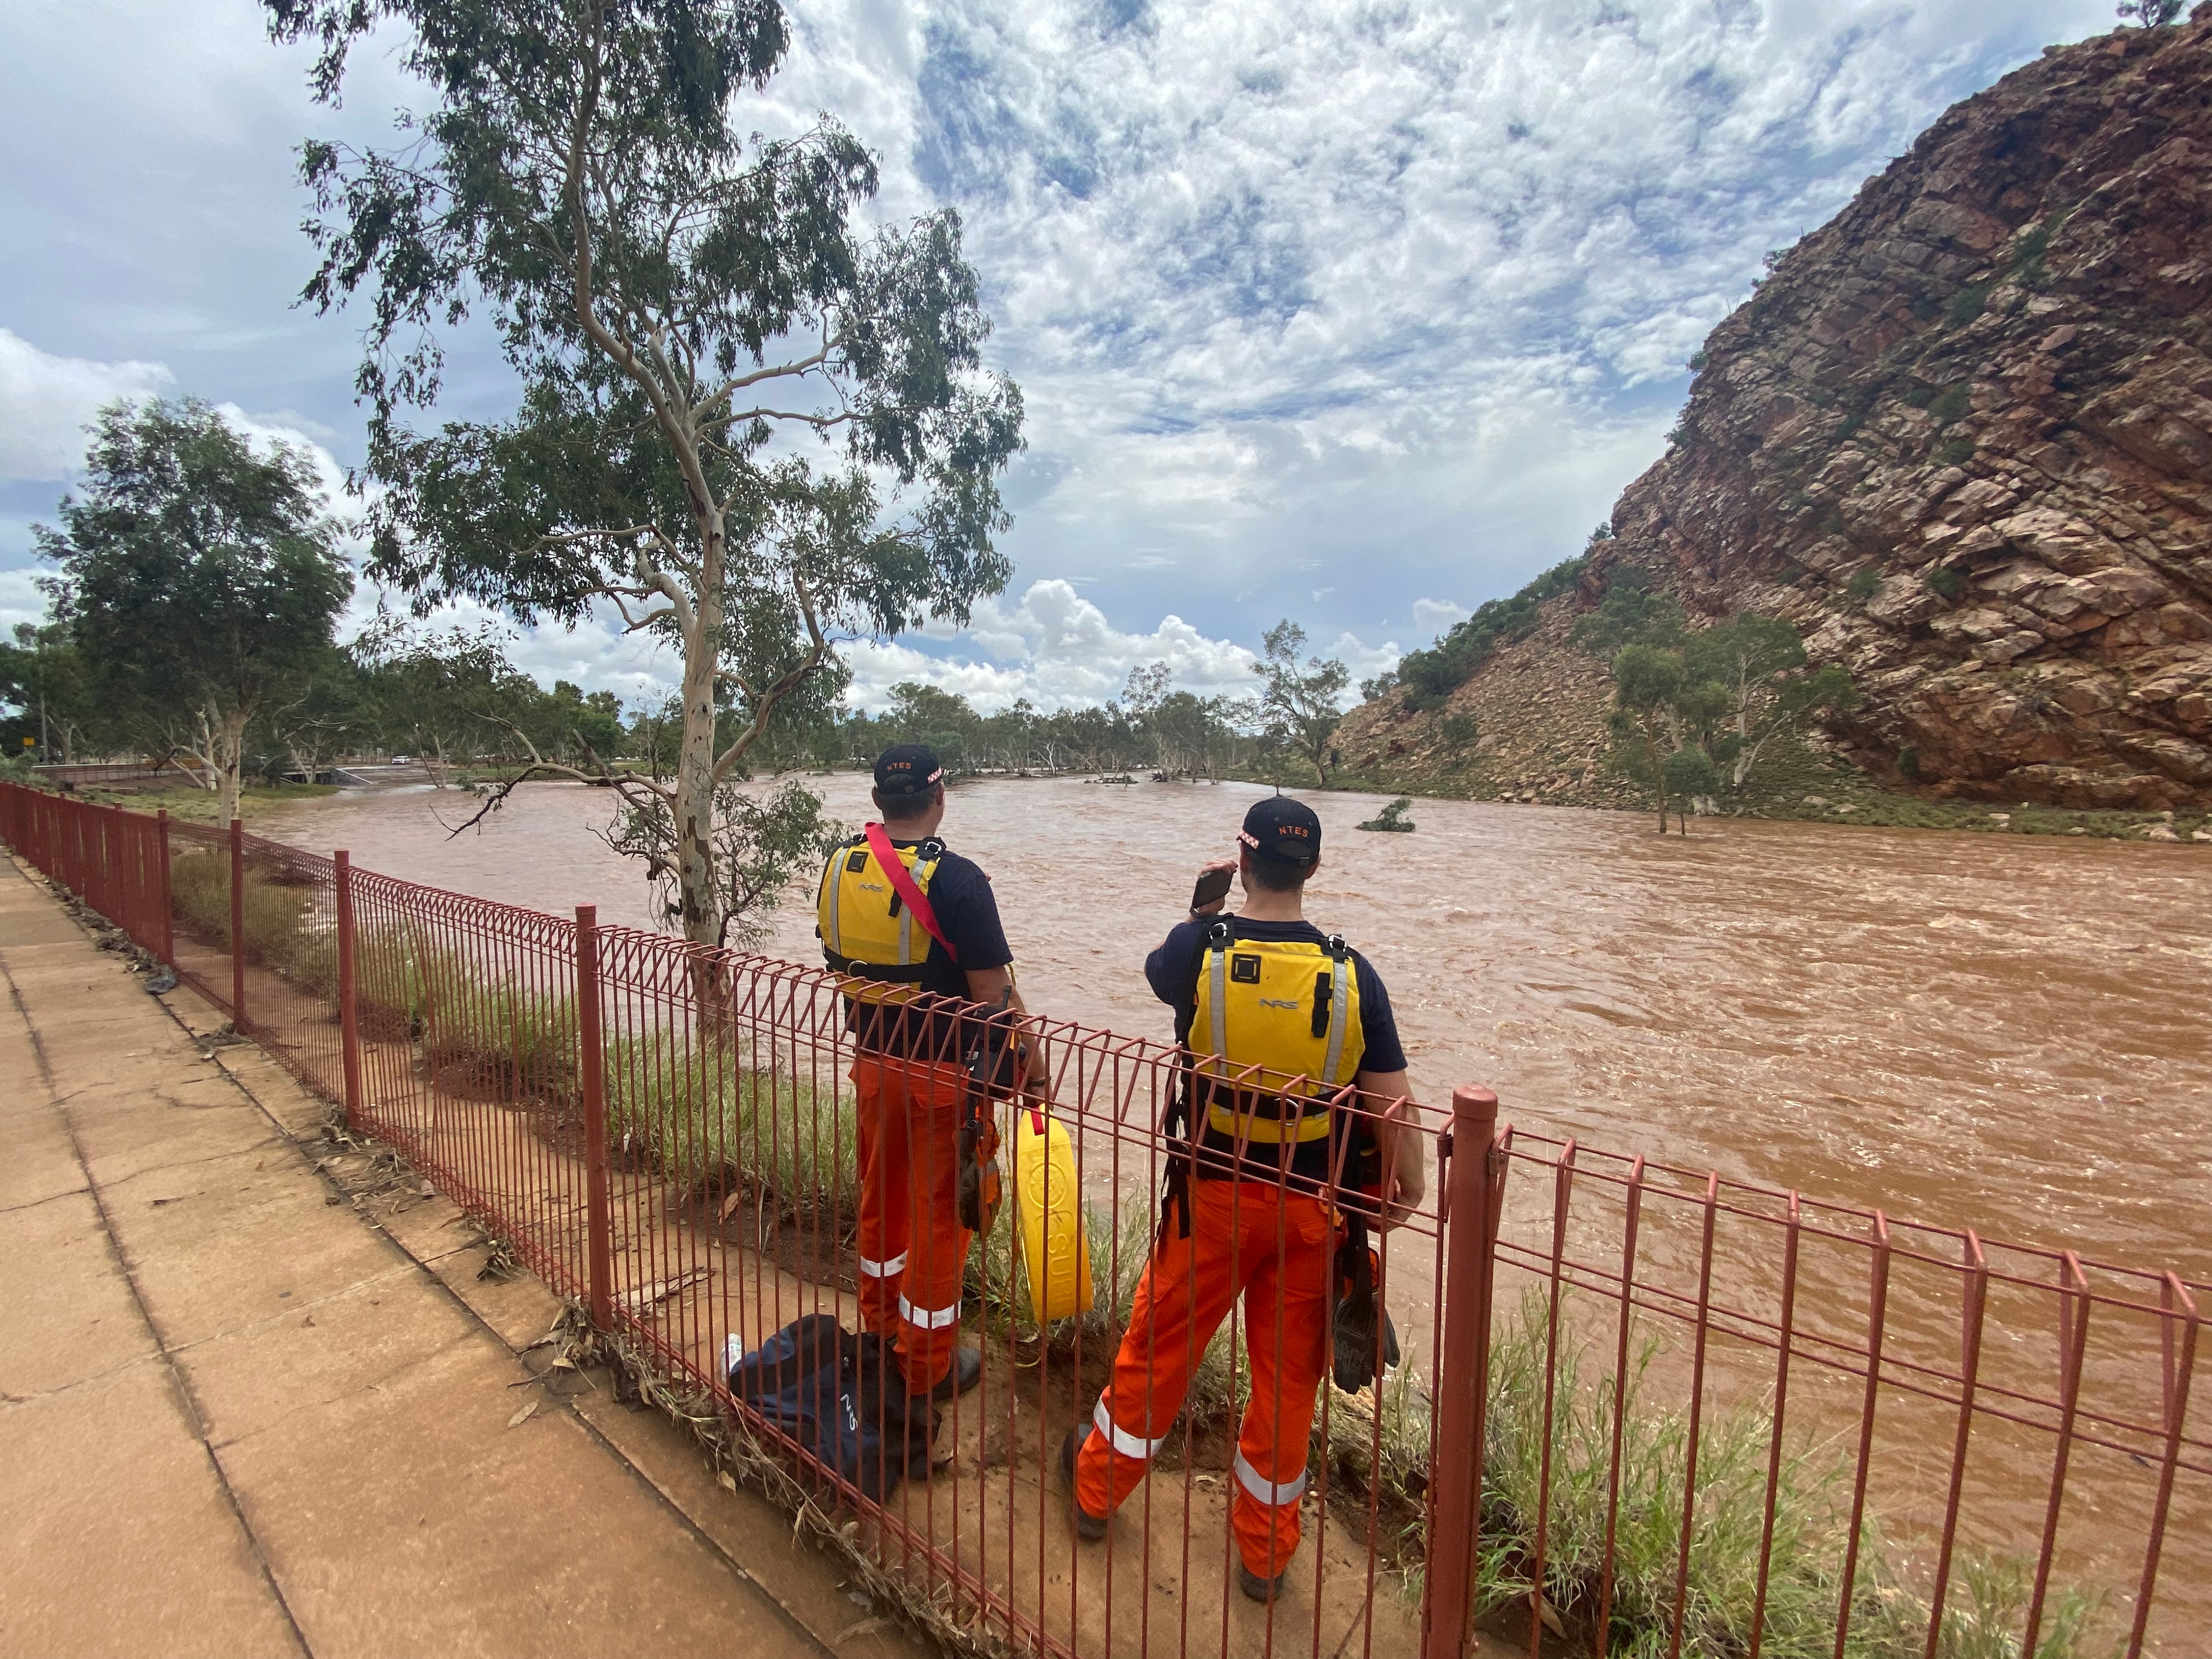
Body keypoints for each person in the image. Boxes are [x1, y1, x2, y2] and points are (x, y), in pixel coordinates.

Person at [1060, 795, 1424, 1601]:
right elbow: (1393, 1107)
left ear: (1243, 859)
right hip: (1310, 1210)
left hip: (1211, 1203)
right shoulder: (1352, 973)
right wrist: (1405, 1186)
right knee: (1288, 1381)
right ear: (1316, 869)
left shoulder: (1199, 950)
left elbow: (1161, 976)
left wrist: (1202, 907)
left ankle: (1094, 1495)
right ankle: (1263, 1556)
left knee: (1158, 1352)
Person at [815, 743, 1048, 1401]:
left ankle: (880, 1329)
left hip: (872, 1067)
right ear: (941, 797)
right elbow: (993, 997)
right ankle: (925, 1369)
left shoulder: (837, 866)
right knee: (941, 1224)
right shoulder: (960, 881)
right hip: (944, 1081)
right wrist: (1035, 1071)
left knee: (880, 1203)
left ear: (877, 802)